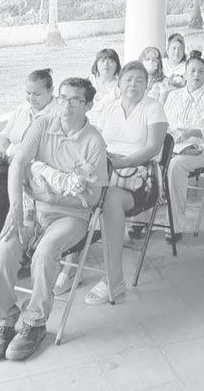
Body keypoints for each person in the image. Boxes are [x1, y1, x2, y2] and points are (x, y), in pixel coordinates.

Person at [0, 77, 108, 361]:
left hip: (71, 215)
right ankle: (3, 318)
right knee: (3, 248)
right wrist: (16, 208)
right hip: (31, 209)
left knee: (45, 252)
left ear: (88, 105)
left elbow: (93, 198)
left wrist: (51, 197)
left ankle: (34, 322)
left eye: (75, 100)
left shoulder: (93, 141)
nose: (66, 105)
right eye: (63, 97)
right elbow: (18, 163)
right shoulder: (42, 125)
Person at [67, 61, 168, 304]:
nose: (133, 84)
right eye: (128, 79)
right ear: (119, 83)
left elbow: (154, 147)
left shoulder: (153, 108)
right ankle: (70, 265)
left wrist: (122, 162)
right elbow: (93, 139)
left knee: (110, 199)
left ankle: (114, 278)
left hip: (141, 174)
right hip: (107, 167)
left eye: (140, 80)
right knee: (76, 188)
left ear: (147, 85)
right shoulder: (109, 107)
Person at [0, 69, 60, 233]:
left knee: (13, 192)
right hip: (12, 167)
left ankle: (27, 234)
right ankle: (9, 235)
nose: (31, 98)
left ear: (51, 90)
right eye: (28, 93)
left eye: (37, 94)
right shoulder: (22, 109)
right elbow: (4, 136)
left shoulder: (59, 112)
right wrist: (0, 148)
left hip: (38, 171)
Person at [163, 57, 204, 241]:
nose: (196, 75)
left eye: (201, 71)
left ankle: (174, 226)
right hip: (173, 145)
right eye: (193, 71)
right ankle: (139, 221)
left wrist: (193, 132)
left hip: (201, 147)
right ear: (185, 74)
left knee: (176, 166)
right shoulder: (173, 96)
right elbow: (164, 123)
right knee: (148, 157)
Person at [86, 48, 121, 125]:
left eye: (111, 61)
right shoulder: (89, 81)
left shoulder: (120, 86)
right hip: (85, 124)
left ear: (117, 66)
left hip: (109, 126)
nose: (106, 64)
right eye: (102, 61)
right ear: (96, 64)